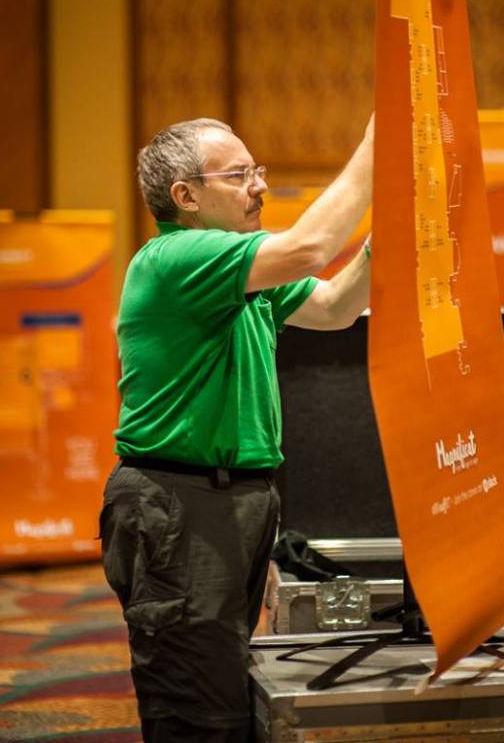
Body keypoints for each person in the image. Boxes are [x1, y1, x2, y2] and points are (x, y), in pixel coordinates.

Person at [100, 115, 373, 742]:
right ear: (185, 197)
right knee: (200, 714)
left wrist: (383, 240)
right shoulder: (177, 256)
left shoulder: (238, 271)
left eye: (258, 172)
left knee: (224, 691)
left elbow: (333, 308)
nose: (259, 187)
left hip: (229, 501)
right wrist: (374, 150)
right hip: (181, 504)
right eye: (239, 174)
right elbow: (309, 248)